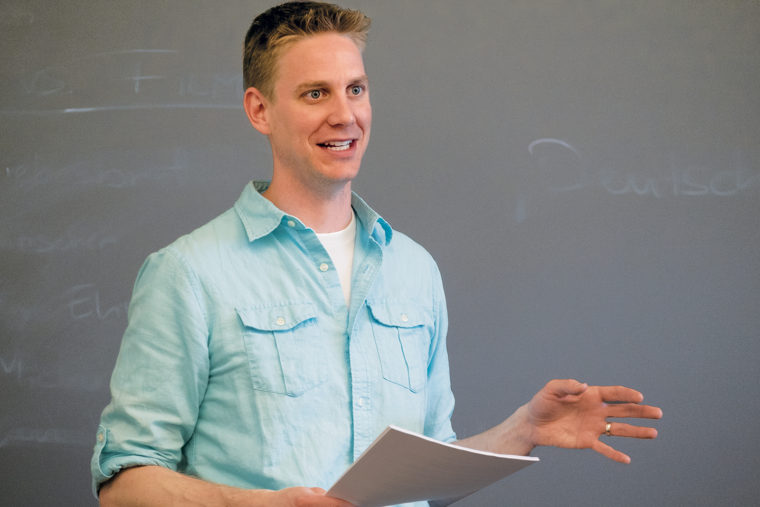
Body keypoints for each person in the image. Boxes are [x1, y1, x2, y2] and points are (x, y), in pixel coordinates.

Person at [91, 2, 662, 506]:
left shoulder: (414, 269)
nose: (345, 115)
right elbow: (124, 483)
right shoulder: (188, 273)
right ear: (259, 110)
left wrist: (523, 431)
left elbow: (429, 476)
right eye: (316, 93)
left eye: (355, 89)